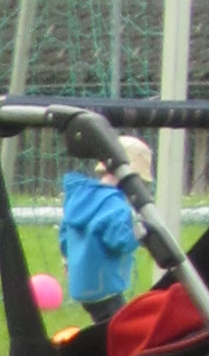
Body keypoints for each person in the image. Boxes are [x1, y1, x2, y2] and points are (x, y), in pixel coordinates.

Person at [62, 137, 153, 325]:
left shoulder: (80, 197)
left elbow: (64, 233)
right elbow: (118, 241)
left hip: (81, 283)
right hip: (105, 285)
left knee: (102, 321)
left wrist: (67, 261)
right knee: (119, 327)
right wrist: (140, 231)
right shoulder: (115, 205)